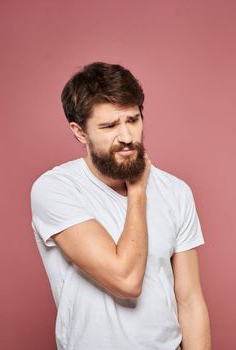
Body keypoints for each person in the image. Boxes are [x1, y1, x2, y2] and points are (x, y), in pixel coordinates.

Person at [30, 62, 211, 350]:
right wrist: (137, 191)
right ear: (79, 132)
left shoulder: (177, 192)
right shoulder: (56, 189)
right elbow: (126, 279)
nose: (127, 137)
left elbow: (190, 301)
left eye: (133, 119)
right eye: (109, 126)